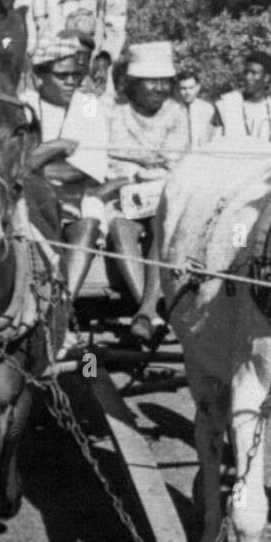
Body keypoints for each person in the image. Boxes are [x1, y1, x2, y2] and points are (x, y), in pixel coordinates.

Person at [77, 41, 173, 333]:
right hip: (119, 196)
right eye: (151, 81)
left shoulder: (176, 112)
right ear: (133, 83)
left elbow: (180, 161)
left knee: (161, 221)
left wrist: (149, 175)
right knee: (120, 227)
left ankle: (146, 312)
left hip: (163, 195)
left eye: (164, 82)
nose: (159, 88)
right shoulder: (110, 109)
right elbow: (94, 149)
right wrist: (132, 171)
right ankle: (152, 312)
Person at [15, 0, 127, 140]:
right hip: (49, 69)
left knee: (90, 124)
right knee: (48, 129)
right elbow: (23, 7)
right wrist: (29, 55)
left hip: (89, 68)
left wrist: (105, 58)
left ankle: (87, 171)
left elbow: (117, 13)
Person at [214, 50, 271, 147]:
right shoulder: (226, 105)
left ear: (266, 78)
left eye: (253, 73)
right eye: (246, 72)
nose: (248, 77)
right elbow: (213, 144)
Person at [154, 67, 217, 159]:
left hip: (201, 159)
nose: (187, 92)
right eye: (183, 88)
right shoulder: (168, 108)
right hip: (175, 161)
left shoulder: (207, 109)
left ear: (198, 87)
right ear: (177, 89)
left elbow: (213, 136)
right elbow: (158, 138)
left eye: (191, 88)